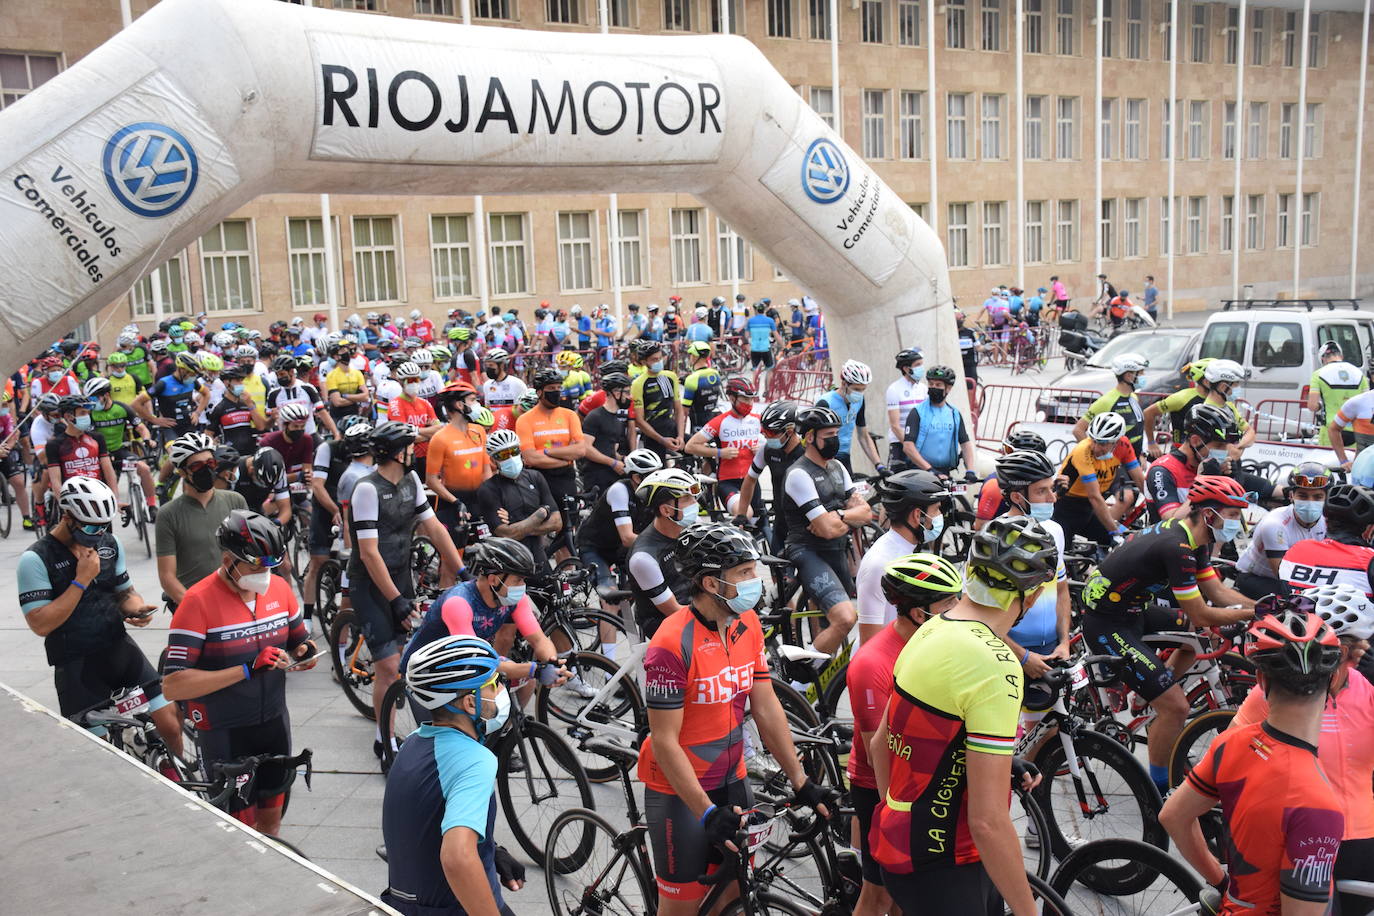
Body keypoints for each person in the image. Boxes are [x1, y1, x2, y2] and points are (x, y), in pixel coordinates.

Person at [640, 523, 836, 915]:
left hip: (734, 779)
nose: (755, 581)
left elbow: (765, 707)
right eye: (744, 573)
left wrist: (801, 780)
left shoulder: (747, 626)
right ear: (712, 583)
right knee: (680, 908)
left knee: (734, 897)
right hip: (680, 792)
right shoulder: (669, 644)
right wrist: (705, 811)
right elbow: (665, 740)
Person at [869, 516, 1056, 916]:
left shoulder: (932, 627)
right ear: (1035, 594)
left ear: (970, 572)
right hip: (949, 860)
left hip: (904, 846)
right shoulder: (996, 663)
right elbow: (988, 821)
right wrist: (1028, 911)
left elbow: (880, 744)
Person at [1160, 605, 1344, 916]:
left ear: (1260, 679)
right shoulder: (1319, 805)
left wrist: (1220, 883)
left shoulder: (1232, 742)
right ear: (1335, 680)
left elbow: (1173, 817)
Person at [1080, 474, 1257, 793]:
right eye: (1232, 515)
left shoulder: (1195, 537)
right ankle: (1158, 787)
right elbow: (1201, 612)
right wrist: (1253, 613)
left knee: (1198, 638)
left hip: (1133, 611)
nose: (1238, 522)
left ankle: (1153, 693)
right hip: (1107, 623)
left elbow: (1216, 592)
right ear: (1209, 514)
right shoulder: (1176, 546)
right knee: (1177, 707)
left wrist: (1263, 605)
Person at [163, 510, 316, 833]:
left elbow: (300, 641)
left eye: (269, 566)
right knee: (239, 834)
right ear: (227, 558)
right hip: (225, 733)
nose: (263, 573)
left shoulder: (279, 590)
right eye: (254, 565)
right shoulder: (197, 602)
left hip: (274, 724)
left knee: (271, 829)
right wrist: (245, 669)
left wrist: (305, 652)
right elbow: (173, 686)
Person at [1230, 585, 1374, 916]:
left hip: (1363, 841)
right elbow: (1231, 761)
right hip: (1302, 842)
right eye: (1354, 650)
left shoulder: (1366, 687)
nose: (1361, 657)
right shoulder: (1272, 695)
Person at [18, 477, 182, 757]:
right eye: (92, 526)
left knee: (170, 721)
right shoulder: (35, 560)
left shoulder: (109, 543)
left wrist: (135, 607)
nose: (99, 533)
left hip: (119, 650)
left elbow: (124, 592)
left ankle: (182, 782)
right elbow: (41, 624)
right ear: (67, 516)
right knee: (102, 756)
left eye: (105, 525)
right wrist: (81, 581)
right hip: (77, 666)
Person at [847, 553, 963, 916]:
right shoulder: (871, 664)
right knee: (879, 896)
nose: (958, 609)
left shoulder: (938, 641)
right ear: (917, 612)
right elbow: (878, 753)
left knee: (909, 896)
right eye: (949, 602)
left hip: (924, 778)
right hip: (881, 786)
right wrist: (894, 819)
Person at [381, 636, 517, 916]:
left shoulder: (412, 743)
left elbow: (424, 822)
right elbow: (456, 857)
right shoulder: (475, 760)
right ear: (470, 703)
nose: (504, 689)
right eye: (495, 684)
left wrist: (491, 850)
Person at [348, 421, 462, 750]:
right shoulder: (367, 488)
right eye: (411, 448)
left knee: (401, 660)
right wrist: (396, 599)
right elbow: (369, 553)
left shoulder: (411, 480)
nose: (416, 452)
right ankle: (384, 739)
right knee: (386, 667)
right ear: (399, 453)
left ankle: (390, 722)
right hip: (369, 582)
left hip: (399, 574)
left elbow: (436, 529)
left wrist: (462, 569)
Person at [780, 404, 874, 656]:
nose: (835, 440)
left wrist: (839, 515)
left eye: (836, 434)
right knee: (845, 618)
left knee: (828, 623)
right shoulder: (799, 474)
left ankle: (823, 681)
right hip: (807, 550)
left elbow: (866, 512)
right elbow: (826, 528)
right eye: (828, 436)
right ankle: (801, 679)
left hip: (836, 549)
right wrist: (842, 519)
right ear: (809, 437)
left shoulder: (837, 467)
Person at [989, 449, 1073, 684]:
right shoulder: (993, 540)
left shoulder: (1054, 530)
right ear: (1017, 497)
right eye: (1041, 491)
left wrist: (1064, 641)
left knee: (1053, 721)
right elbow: (980, 618)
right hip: (1007, 654)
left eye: (1051, 488)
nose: (1053, 498)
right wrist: (1023, 657)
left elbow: (1061, 589)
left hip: (1051, 650)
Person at [855, 470, 951, 644]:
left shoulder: (906, 549)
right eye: (936, 510)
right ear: (917, 515)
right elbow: (869, 643)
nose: (939, 517)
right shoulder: (880, 564)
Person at [155, 433, 249, 606]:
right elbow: (167, 576)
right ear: (183, 472)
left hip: (235, 599)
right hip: (192, 602)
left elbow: (250, 554)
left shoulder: (235, 501)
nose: (206, 470)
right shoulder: (168, 514)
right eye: (197, 466)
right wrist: (195, 607)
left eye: (210, 463)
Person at [1234, 463, 1330, 600]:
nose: (1310, 502)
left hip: (1302, 575)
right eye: (1302, 496)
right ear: (1291, 496)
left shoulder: (1329, 521)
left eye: (1317, 497)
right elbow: (1283, 576)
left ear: (1326, 498)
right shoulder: (1274, 524)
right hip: (1258, 578)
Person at [515, 367, 585, 554]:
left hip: (565, 479)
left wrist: (547, 452)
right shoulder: (525, 420)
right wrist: (565, 458)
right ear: (539, 392)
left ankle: (566, 576)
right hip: (538, 479)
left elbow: (580, 449)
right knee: (540, 528)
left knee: (566, 531)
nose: (556, 392)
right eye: (551, 389)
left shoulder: (569, 415)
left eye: (558, 388)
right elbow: (530, 457)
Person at [1053, 411, 1146, 546]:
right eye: (1094, 440)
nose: (1096, 448)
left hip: (1090, 509)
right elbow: (1094, 496)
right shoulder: (1083, 450)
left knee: (1124, 544)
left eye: (1103, 443)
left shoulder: (1124, 445)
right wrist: (1114, 532)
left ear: (1116, 441)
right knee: (1061, 552)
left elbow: (1139, 479)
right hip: (1068, 506)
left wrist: (1156, 507)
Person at [475, 428, 561, 572]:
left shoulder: (536, 477)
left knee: (551, 592)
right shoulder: (488, 489)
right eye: (503, 455)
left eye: (514, 451)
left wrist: (518, 526)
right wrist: (538, 516)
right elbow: (505, 533)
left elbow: (557, 522)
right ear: (493, 460)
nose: (510, 458)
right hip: (508, 561)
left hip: (538, 556)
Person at [627, 467, 700, 637]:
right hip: (665, 624)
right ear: (666, 510)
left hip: (693, 605)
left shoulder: (691, 526)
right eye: (687, 499)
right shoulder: (643, 558)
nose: (695, 505)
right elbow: (674, 612)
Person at [1144, 402, 1240, 521]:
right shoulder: (1162, 470)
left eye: (1226, 446)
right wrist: (1204, 484)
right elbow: (1171, 521)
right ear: (1195, 441)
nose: (1225, 452)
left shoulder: (1211, 466)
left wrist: (1228, 481)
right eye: (1220, 445)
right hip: (1170, 538)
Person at [684, 376, 762, 517]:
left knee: (761, 525)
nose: (749, 403)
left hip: (752, 482)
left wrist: (763, 449)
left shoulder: (757, 420)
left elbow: (779, 441)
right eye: (745, 399)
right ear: (732, 398)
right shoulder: (720, 421)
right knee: (745, 513)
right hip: (728, 483)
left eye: (751, 399)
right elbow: (690, 446)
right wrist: (719, 452)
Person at [1280, 483, 1374, 598]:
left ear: (1326, 521)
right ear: (1369, 530)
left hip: (1295, 614)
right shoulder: (1369, 559)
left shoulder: (1297, 550)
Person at [737, 400, 806, 555]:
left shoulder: (808, 452)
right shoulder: (767, 450)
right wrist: (741, 515)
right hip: (782, 520)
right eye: (764, 432)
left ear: (789, 431)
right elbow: (750, 479)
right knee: (778, 572)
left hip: (805, 524)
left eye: (771, 433)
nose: (766, 437)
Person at [84, 376, 157, 520]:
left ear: (106, 395)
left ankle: (152, 506)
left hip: (119, 451)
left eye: (94, 398)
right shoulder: (90, 413)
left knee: (145, 469)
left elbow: (141, 428)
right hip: (100, 455)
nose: (92, 402)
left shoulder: (122, 408)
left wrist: (147, 440)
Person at [425, 382, 490, 542]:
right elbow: (431, 480)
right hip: (452, 503)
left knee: (486, 555)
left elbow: (486, 468)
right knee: (455, 559)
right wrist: (456, 502)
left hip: (479, 500)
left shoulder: (479, 431)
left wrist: (493, 495)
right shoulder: (440, 438)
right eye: (473, 400)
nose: (477, 405)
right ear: (459, 405)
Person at [901, 365, 977, 480]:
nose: (933, 387)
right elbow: (908, 447)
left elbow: (965, 445)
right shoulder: (917, 412)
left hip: (944, 472)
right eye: (931, 384)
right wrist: (930, 470)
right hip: (920, 471)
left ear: (948, 388)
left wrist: (970, 470)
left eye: (938, 385)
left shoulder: (954, 414)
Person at [815, 360, 884, 474]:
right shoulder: (826, 403)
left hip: (845, 457)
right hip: (824, 458)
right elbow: (815, 438)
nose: (860, 393)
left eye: (863, 389)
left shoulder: (860, 400)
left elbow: (863, 436)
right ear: (844, 384)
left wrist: (879, 465)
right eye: (856, 389)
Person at [1074, 353, 1149, 455]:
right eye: (1141, 373)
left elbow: (1137, 431)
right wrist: (1094, 453)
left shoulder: (1133, 397)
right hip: (1114, 463)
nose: (1144, 376)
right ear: (1128, 376)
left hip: (1133, 460)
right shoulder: (1106, 401)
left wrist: (1142, 455)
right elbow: (1078, 430)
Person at [46, 395, 119, 498]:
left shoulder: (97, 438)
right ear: (68, 416)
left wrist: (115, 498)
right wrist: (64, 506)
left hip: (99, 493)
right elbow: (55, 481)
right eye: (82, 413)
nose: (87, 416)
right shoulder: (54, 445)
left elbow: (109, 471)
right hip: (73, 497)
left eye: (88, 413)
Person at [578, 371, 634, 495]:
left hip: (612, 474)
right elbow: (586, 448)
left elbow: (610, 448)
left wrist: (625, 459)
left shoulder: (617, 419)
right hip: (596, 476)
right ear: (616, 392)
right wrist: (612, 463)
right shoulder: (595, 416)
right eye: (627, 392)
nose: (630, 397)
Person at [1308, 342, 1368, 448]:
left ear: (1323, 359)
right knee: (1352, 463)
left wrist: (1321, 405)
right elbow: (1367, 403)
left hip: (1330, 429)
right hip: (1356, 430)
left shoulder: (1318, 374)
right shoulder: (1359, 374)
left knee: (1328, 463)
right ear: (1341, 356)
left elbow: (1312, 406)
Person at [629, 342, 683, 459]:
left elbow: (679, 410)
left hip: (672, 428)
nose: (659, 362)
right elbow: (639, 420)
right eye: (654, 359)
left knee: (698, 449)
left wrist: (681, 436)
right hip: (652, 434)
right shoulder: (638, 383)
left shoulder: (670, 376)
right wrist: (662, 440)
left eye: (660, 358)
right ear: (644, 362)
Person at [205, 365, 268, 455]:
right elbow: (208, 433)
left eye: (242, 381)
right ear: (227, 383)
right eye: (238, 381)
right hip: (231, 454)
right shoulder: (219, 407)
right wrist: (215, 449)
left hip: (251, 451)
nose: (241, 384)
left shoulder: (248, 403)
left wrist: (250, 405)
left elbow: (261, 427)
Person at [884, 348, 927, 467]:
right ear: (906, 369)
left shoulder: (923, 389)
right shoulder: (894, 389)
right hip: (900, 443)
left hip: (920, 443)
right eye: (917, 365)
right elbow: (895, 426)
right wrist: (910, 446)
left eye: (922, 364)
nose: (921, 368)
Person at [679, 340, 722, 435]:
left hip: (698, 427)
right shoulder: (715, 373)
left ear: (695, 357)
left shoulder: (691, 379)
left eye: (690, 355)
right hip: (713, 423)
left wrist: (681, 436)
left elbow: (684, 412)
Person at [745, 299, 782, 371]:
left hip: (755, 348)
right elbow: (777, 336)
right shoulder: (770, 321)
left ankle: (755, 382)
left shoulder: (750, 321)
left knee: (755, 370)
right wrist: (783, 346)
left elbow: (746, 336)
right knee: (770, 370)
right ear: (764, 310)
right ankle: (767, 382)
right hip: (766, 348)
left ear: (756, 310)